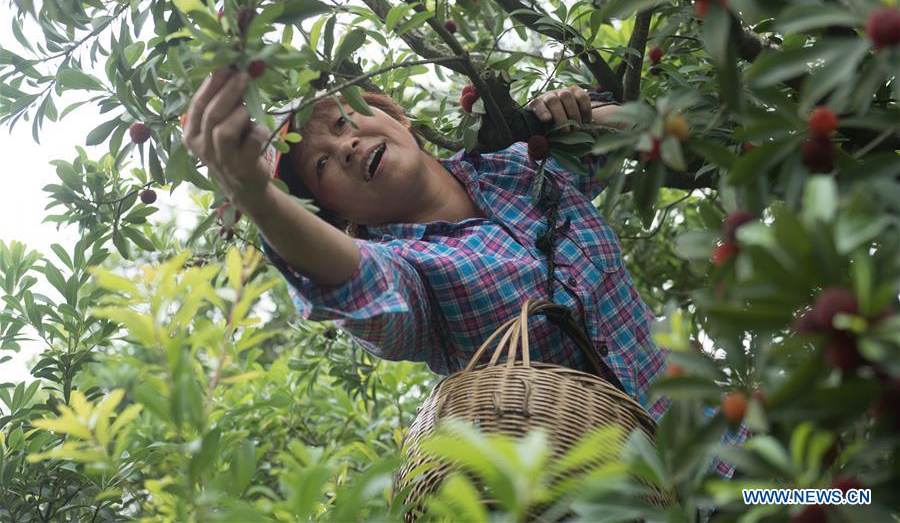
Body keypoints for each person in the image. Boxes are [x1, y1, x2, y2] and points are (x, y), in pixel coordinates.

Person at [182, 67, 744, 478]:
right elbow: (350, 281)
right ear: (337, 215)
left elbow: (656, 131)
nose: (345, 146)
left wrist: (579, 115)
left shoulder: (520, 163)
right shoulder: (408, 272)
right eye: (322, 164)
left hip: (730, 447)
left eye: (344, 120)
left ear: (396, 116)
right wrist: (256, 195)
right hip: (625, 502)